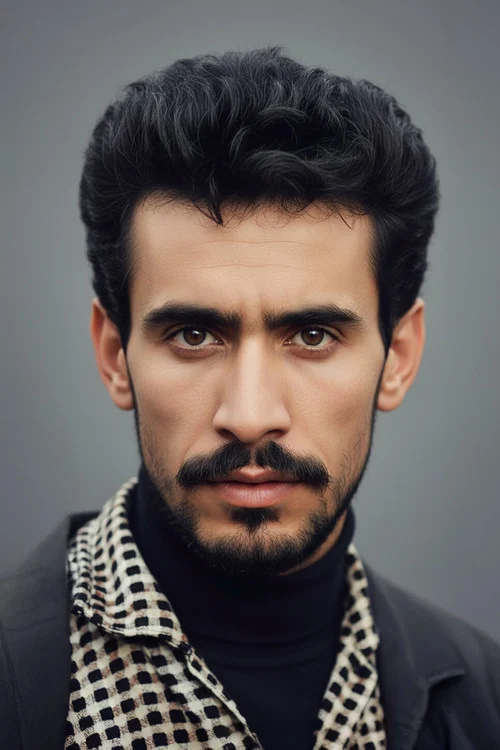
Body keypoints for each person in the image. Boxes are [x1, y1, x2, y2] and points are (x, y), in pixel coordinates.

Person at [1, 47, 499, 750]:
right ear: (115, 355)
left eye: (314, 335)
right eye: (194, 335)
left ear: (399, 357)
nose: (250, 415)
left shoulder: (486, 701)